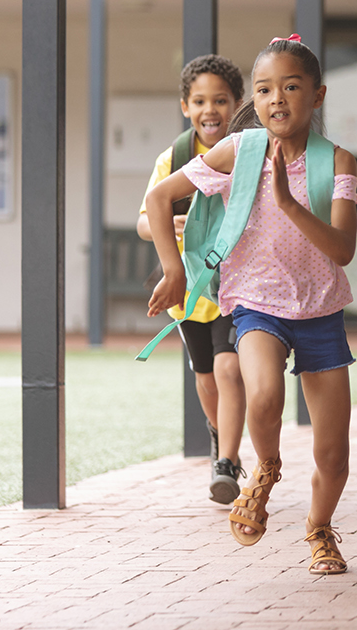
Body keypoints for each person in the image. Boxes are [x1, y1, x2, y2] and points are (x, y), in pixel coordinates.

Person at [145, 35, 357, 575]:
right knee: (262, 393)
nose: (276, 99)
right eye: (264, 89)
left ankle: (320, 530)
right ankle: (265, 468)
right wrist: (174, 270)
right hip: (256, 306)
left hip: (320, 313)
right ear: (254, 102)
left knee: (333, 455)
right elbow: (158, 197)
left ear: (317, 95)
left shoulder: (336, 161)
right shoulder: (239, 151)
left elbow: (343, 249)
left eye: (291, 87)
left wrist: (287, 202)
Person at [136, 54, 247, 505]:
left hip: (237, 285)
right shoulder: (175, 158)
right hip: (189, 292)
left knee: (228, 367)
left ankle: (228, 461)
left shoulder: (246, 151)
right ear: (185, 106)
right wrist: (170, 227)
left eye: (220, 100)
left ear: (237, 103)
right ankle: (220, 435)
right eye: (200, 101)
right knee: (205, 377)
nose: (210, 110)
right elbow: (145, 219)